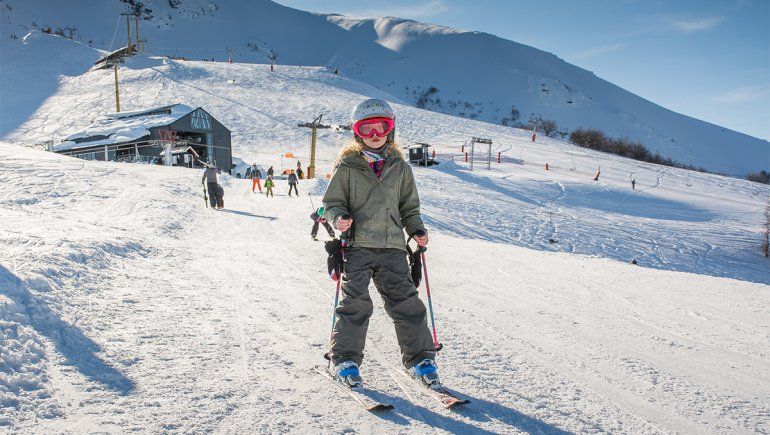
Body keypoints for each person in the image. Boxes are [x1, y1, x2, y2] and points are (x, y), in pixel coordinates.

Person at [322, 98, 436, 387]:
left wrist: (417, 229)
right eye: (366, 128)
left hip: (393, 247)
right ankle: (345, 360)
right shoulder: (347, 166)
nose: (374, 134)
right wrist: (339, 219)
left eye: (381, 127)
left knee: (406, 302)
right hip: (358, 246)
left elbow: (409, 207)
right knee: (355, 304)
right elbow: (332, 203)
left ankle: (420, 359)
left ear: (391, 130)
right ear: (356, 132)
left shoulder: (401, 168)